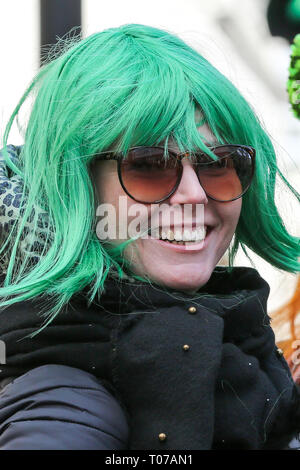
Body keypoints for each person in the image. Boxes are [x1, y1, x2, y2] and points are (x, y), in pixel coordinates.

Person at [0, 23, 299, 450]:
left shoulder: (243, 347)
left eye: (220, 163)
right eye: (150, 165)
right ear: (74, 186)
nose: (194, 195)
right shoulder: (64, 401)